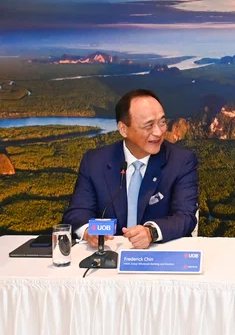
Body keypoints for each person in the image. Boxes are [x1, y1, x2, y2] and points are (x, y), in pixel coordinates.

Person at [62, 89, 199, 249]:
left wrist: (151, 232)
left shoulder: (181, 161)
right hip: (110, 252)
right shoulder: (95, 162)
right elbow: (78, 212)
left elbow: (185, 216)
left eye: (162, 122)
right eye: (149, 125)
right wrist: (88, 232)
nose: (159, 132)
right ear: (123, 129)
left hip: (159, 253)